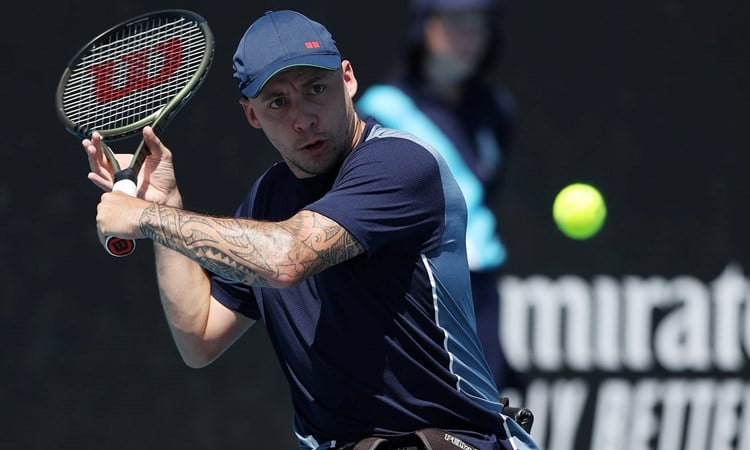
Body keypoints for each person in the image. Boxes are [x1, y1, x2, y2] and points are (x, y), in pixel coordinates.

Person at [83, 9, 538, 450]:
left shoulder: (399, 164)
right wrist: (165, 206)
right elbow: (198, 337)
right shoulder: (265, 201)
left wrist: (147, 219)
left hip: (455, 440)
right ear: (252, 115)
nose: (302, 117)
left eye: (315, 88)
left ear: (348, 79)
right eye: (277, 102)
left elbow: (287, 258)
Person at [356, 0, 524, 392]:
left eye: (480, 25)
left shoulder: (495, 110)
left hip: (482, 291)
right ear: (425, 28)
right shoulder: (380, 112)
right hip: (420, 297)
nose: (470, 38)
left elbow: (482, 201)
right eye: (456, 24)